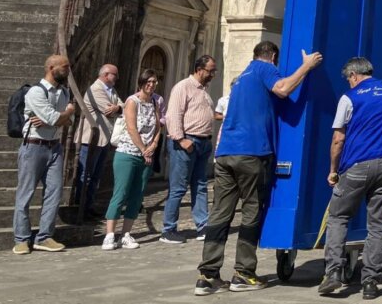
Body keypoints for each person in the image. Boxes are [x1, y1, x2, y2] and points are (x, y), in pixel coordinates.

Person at [196, 41, 323, 296]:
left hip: (225, 154)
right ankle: (243, 273)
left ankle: (208, 276)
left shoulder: (243, 76)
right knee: (252, 212)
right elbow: (283, 88)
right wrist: (306, 67)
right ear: (272, 56)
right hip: (251, 152)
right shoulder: (264, 69)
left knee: (220, 214)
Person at [318, 58, 382, 301]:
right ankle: (371, 283)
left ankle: (333, 273)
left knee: (338, 217)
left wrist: (333, 169)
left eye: (348, 78)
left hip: (357, 167)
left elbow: (338, 139)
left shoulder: (349, 97)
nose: (348, 82)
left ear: (353, 75)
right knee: (376, 226)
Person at [13, 54, 75, 254]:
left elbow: (65, 122)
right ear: (51, 68)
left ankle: (44, 236)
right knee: (26, 193)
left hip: (54, 146)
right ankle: (21, 238)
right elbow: (56, 118)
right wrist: (66, 114)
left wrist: (60, 117)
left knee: (54, 192)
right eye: (64, 67)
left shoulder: (64, 92)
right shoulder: (35, 93)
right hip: (33, 146)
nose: (67, 71)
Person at [102, 68, 163, 251]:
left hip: (146, 155)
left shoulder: (154, 102)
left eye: (154, 82)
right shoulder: (132, 101)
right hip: (128, 153)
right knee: (120, 193)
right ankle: (109, 234)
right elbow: (131, 128)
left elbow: (158, 127)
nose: (151, 85)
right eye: (148, 81)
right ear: (142, 82)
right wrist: (143, 148)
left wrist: (153, 145)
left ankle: (126, 234)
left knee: (137, 195)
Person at [161, 55, 217, 244]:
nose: (212, 74)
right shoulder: (183, 87)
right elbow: (173, 115)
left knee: (200, 185)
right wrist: (180, 138)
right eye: (210, 71)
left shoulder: (204, 91)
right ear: (199, 69)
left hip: (202, 143)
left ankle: (202, 226)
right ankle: (168, 229)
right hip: (186, 143)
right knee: (178, 187)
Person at [74, 63, 122, 219]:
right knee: (85, 175)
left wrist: (117, 108)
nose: (117, 77)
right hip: (91, 139)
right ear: (106, 74)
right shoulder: (96, 89)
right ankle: (80, 206)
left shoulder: (111, 90)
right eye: (115, 74)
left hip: (104, 139)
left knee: (96, 175)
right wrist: (117, 108)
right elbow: (107, 109)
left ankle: (89, 205)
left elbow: (123, 106)